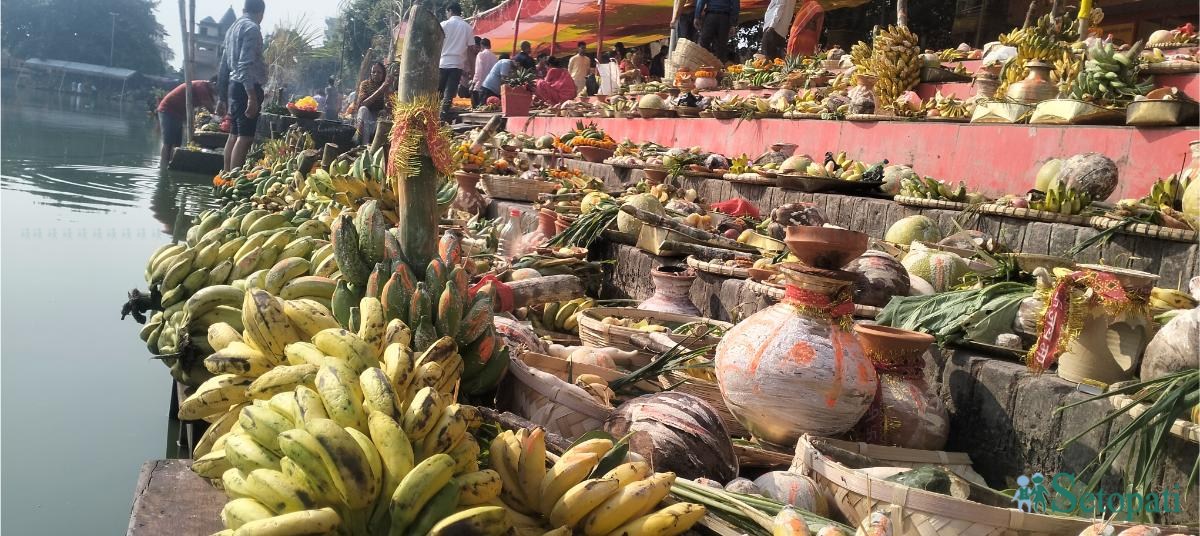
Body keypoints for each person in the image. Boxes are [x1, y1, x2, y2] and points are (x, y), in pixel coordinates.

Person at [217, 0, 267, 172]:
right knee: (245, 138)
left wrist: (222, 96)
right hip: (246, 87)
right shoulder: (252, 28)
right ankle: (234, 179)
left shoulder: (232, 28)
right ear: (261, 13)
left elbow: (224, 65)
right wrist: (252, 97)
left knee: (234, 134)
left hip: (234, 86)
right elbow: (245, 65)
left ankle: (226, 177)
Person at [156, 79, 216, 167]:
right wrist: (217, 116)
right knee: (168, 143)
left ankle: (172, 164)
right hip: (168, 110)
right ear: (213, 83)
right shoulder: (201, 86)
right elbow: (209, 106)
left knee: (177, 143)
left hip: (179, 113)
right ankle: (163, 166)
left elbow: (213, 104)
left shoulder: (208, 90)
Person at [438, 2, 473, 120]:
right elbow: (471, 51)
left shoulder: (443, 25)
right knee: (448, 95)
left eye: (446, 12)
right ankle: (441, 118)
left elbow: (435, 44)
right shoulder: (467, 27)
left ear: (450, 11)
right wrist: (471, 69)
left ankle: (431, 116)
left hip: (442, 63)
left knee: (437, 93)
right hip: (457, 65)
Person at [355, 62, 392, 145]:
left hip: (380, 119)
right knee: (363, 109)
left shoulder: (388, 86)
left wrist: (387, 89)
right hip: (366, 118)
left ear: (383, 74)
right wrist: (380, 90)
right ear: (370, 73)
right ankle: (364, 146)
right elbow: (363, 103)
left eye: (379, 72)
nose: (376, 74)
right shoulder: (365, 84)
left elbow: (390, 106)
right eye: (373, 72)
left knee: (385, 113)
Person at [472, 38, 498, 107]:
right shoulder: (495, 57)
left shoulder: (480, 55)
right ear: (490, 46)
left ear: (481, 45)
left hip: (480, 86)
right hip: (491, 87)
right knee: (489, 108)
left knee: (477, 109)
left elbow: (478, 71)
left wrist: (473, 83)